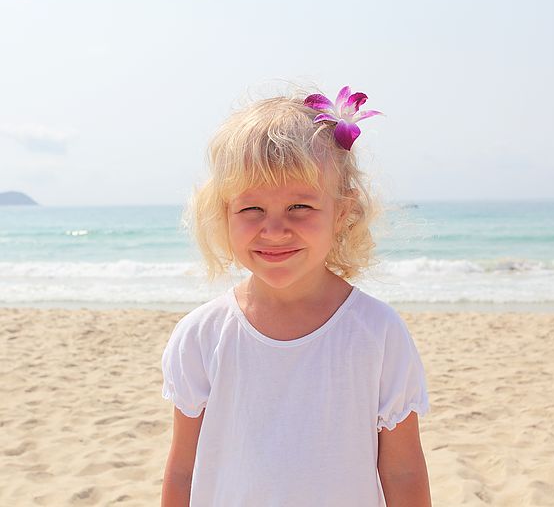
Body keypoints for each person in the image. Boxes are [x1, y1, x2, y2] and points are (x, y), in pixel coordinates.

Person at [160, 84, 431, 506]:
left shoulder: (377, 332)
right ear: (223, 213)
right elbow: (183, 471)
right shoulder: (201, 335)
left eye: (299, 207)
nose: (274, 230)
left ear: (342, 211)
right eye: (251, 209)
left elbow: (403, 470)